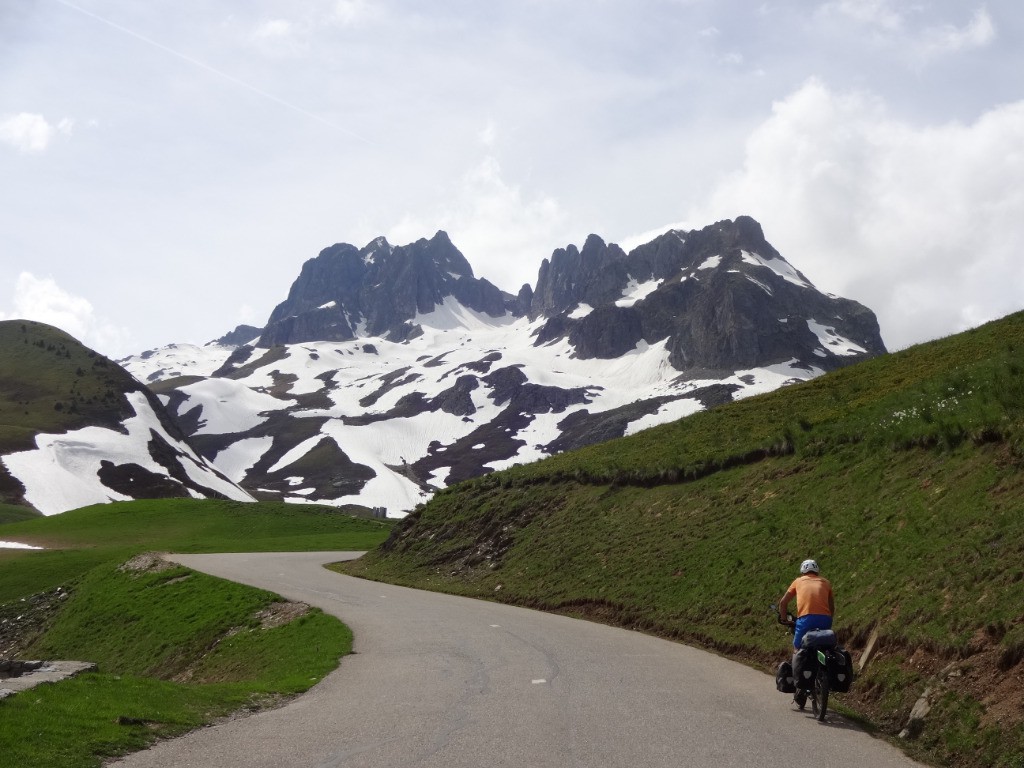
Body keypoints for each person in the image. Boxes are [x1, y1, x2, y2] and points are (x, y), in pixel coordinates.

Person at [778, 558, 834, 704]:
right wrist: (828, 620)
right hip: (825, 620)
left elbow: (783, 603)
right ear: (817, 571)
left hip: (806, 620)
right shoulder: (826, 582)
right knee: (823, 645)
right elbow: (831, 606)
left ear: (803, 571)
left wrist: (784, 619)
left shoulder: (798, 581)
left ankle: (799, 685)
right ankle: (822, 675)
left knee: (797, 649)